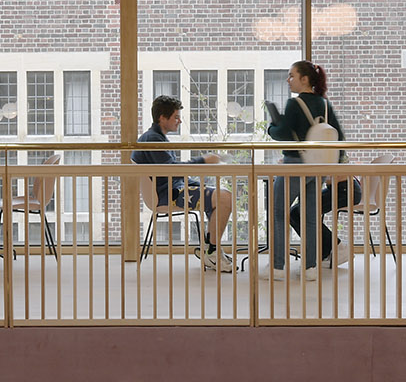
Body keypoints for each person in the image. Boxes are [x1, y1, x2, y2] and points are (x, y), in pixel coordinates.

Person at [131, 95, 237, 272]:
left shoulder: (155, 138)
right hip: (169, 196)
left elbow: (172, 171)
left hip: (173, 190)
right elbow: (172, 170)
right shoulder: (153, 140)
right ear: (162, 118)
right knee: (224, 197)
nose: (179, 121)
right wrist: (203, 160)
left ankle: (210, 249)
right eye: (176, 117)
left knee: (221, 194)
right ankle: (211, 252)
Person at [259, 60, 345, 280]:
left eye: (291, 76)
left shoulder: (294, 104)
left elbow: (283, 133)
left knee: (278, 212)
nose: (288, 80)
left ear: (304, 79)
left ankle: (277, 267)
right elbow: (340, 137)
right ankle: (311, 268)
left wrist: (271, 127)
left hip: (295, 164)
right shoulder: (324, 104)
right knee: (311, 217)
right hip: (318, 166)